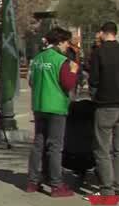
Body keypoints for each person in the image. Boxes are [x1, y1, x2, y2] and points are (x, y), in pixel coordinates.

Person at [26, 27, 79, 197]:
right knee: (55, 146)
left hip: (39, 104)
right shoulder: (61, 60)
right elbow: (68, 84)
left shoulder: (37, 59)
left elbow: (31, 81)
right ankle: (56, 184)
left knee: (38, 144)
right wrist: (74, 70)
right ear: (60, 42)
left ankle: (33, 181)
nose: (67, 47)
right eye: (66, 43)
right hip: (56, 106)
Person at [87, 22, 119, 200]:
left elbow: (94, 79)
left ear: (103, 33)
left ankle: (107, 188)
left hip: (106, 104)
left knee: (102, 148)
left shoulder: (99, 52)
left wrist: (94, 93)